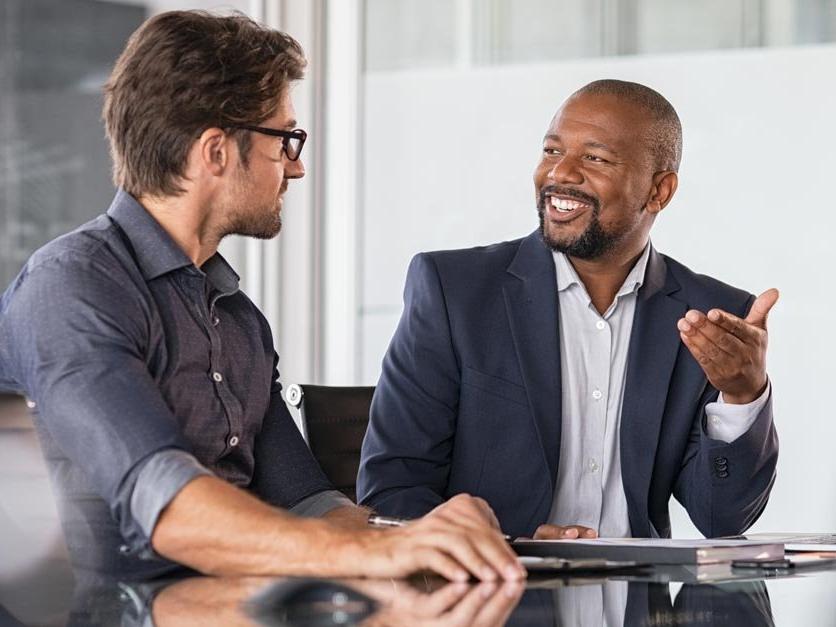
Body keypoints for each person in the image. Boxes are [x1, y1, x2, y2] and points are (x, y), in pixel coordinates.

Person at [0, 10, 524, 583]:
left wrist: (430, 538)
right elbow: (164, 506)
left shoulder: (238, 319)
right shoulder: (73, 287)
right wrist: (377, 555)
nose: (296, 169)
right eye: (285, 140)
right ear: (216, 152)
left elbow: (312, 505)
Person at [357, 80, 779, 541]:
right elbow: (392, 491)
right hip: (497, 595)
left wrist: (743, 396)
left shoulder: (710, 318)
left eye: (594, 158)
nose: (561, 173)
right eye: (552, 151)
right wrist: (508, 547)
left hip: (636, 604)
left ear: (659, 191)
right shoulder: (454, 292)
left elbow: (722, 519)